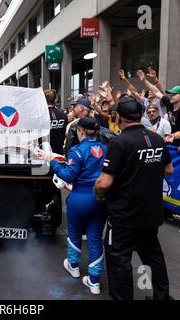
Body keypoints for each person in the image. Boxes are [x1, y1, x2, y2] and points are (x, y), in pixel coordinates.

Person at [94, 96, 174, 300]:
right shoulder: (156, 138)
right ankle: (161, 297)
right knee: (152, 256)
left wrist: (98, 193)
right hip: (150, 213)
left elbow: (104, 183)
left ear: (118, 117)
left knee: (119, 259)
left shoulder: (119, 142)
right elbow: (169, 170)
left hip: (124, 216)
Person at [44, 117, 107, 295]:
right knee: (95, 238)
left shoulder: (77, 151)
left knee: (74, 233)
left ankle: (73, 266)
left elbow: (68, 175)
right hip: (100, 199)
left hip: (80, 198)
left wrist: (52, 161)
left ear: (80, 131)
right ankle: (94, 282)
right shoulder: (106, 148)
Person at [44, 89, 68, 154]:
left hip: (44, 152)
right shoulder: (63, 115)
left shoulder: (40, 116)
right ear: (55, 100)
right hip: (58, 151)